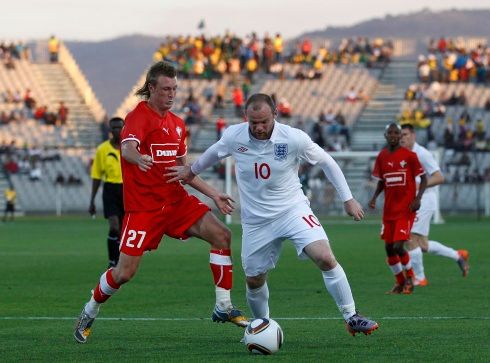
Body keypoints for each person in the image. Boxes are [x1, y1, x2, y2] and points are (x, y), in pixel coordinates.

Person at [166, 93, 379, 337]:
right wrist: (190, 170)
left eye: (264, 122)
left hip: (292, 210)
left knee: (325, 257)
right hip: (256, 222)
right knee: (254, 280)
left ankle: (351, 316)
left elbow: (327, 162)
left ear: (275, 115)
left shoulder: (293, 138)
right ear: (246, 118)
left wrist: (348, 198)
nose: (258, 127)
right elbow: (213, 154)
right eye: (253, 122)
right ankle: (262, 327)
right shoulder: (235, 136)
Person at [74, 61, 247, 344]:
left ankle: (223, 306)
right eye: (166, 89)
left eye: (175, 89)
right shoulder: (138, 117)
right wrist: (138, 157)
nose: (171, 94)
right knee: (124, 272)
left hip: (176, 202)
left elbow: (184, 171)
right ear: (151, 88)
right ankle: (89, 310)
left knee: (222, 235)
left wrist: (213, 194)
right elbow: (128, 147)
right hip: (144, 210)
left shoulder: (178, 126)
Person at [400, 124, 469, 285]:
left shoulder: (422, 154)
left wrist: (417, 186)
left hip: (424, 200)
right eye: (400, 135)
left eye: (405, 134)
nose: (402, 138)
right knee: (422, 244)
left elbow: (439, 177)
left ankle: (419, 277)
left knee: (409, 237)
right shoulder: (402, 154)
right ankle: (458, 255)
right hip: (414, 201)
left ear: (413, 135)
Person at [368, 123, 427, 294]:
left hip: (406, 209)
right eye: (390, 132)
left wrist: (418, 198)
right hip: (389, 210)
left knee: (398, 246)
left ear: (401, 135)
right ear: (385, 135)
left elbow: (423, 179)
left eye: (396, 133)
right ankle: (400, 282)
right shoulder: (382, 156)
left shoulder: (409, 156)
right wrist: (374, 198)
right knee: (388, 247)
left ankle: (410, 279)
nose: (393, 135)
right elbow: (382, 181)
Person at [89, 117, 125, 268]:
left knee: (124, 229)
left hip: (127, 190)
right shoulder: (102, 149)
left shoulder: (130, 147)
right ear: (110, 130)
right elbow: (97, 176)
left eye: (119, 127)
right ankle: (112, 262)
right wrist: (92, 201)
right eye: (114, 128)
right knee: (114, 227)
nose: (117, 130)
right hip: (110, 189)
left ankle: (121, 261)